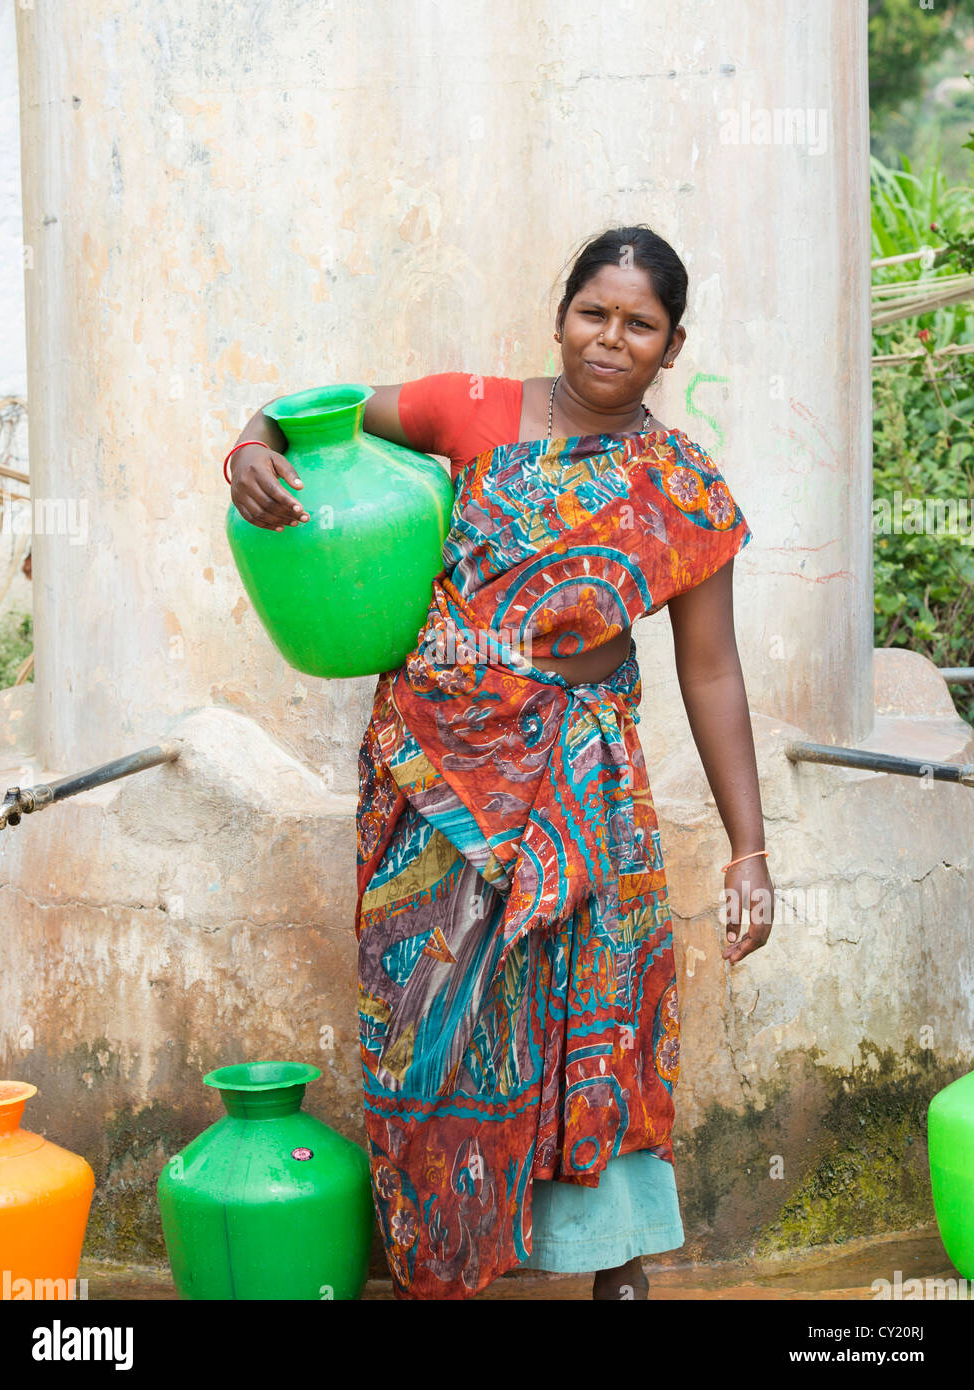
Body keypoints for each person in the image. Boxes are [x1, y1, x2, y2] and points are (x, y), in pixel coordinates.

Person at [226, 224, 774, 1301]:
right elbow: (301, 411)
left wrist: (749, 849)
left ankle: (609, 1259)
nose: (609, 340)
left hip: (582, 790)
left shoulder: (682, 484)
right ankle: (437, 1258)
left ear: (670, 347)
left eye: (639, 325)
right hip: (435, 782)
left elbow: (710, 676)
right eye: (592, 312)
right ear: (560, 310)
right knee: (428, 1023)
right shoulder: (467, 407)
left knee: (597, 1017)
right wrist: (247, 449)